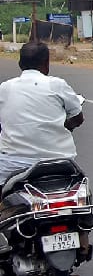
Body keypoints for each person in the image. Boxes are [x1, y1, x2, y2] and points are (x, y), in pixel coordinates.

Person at [0, 42, 86, 182]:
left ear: (20, 63)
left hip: (13, 164)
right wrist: (63, 128)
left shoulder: (5, 88)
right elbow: (78, 118)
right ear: (46, 63)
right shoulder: (57, 85)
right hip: (58, 162)